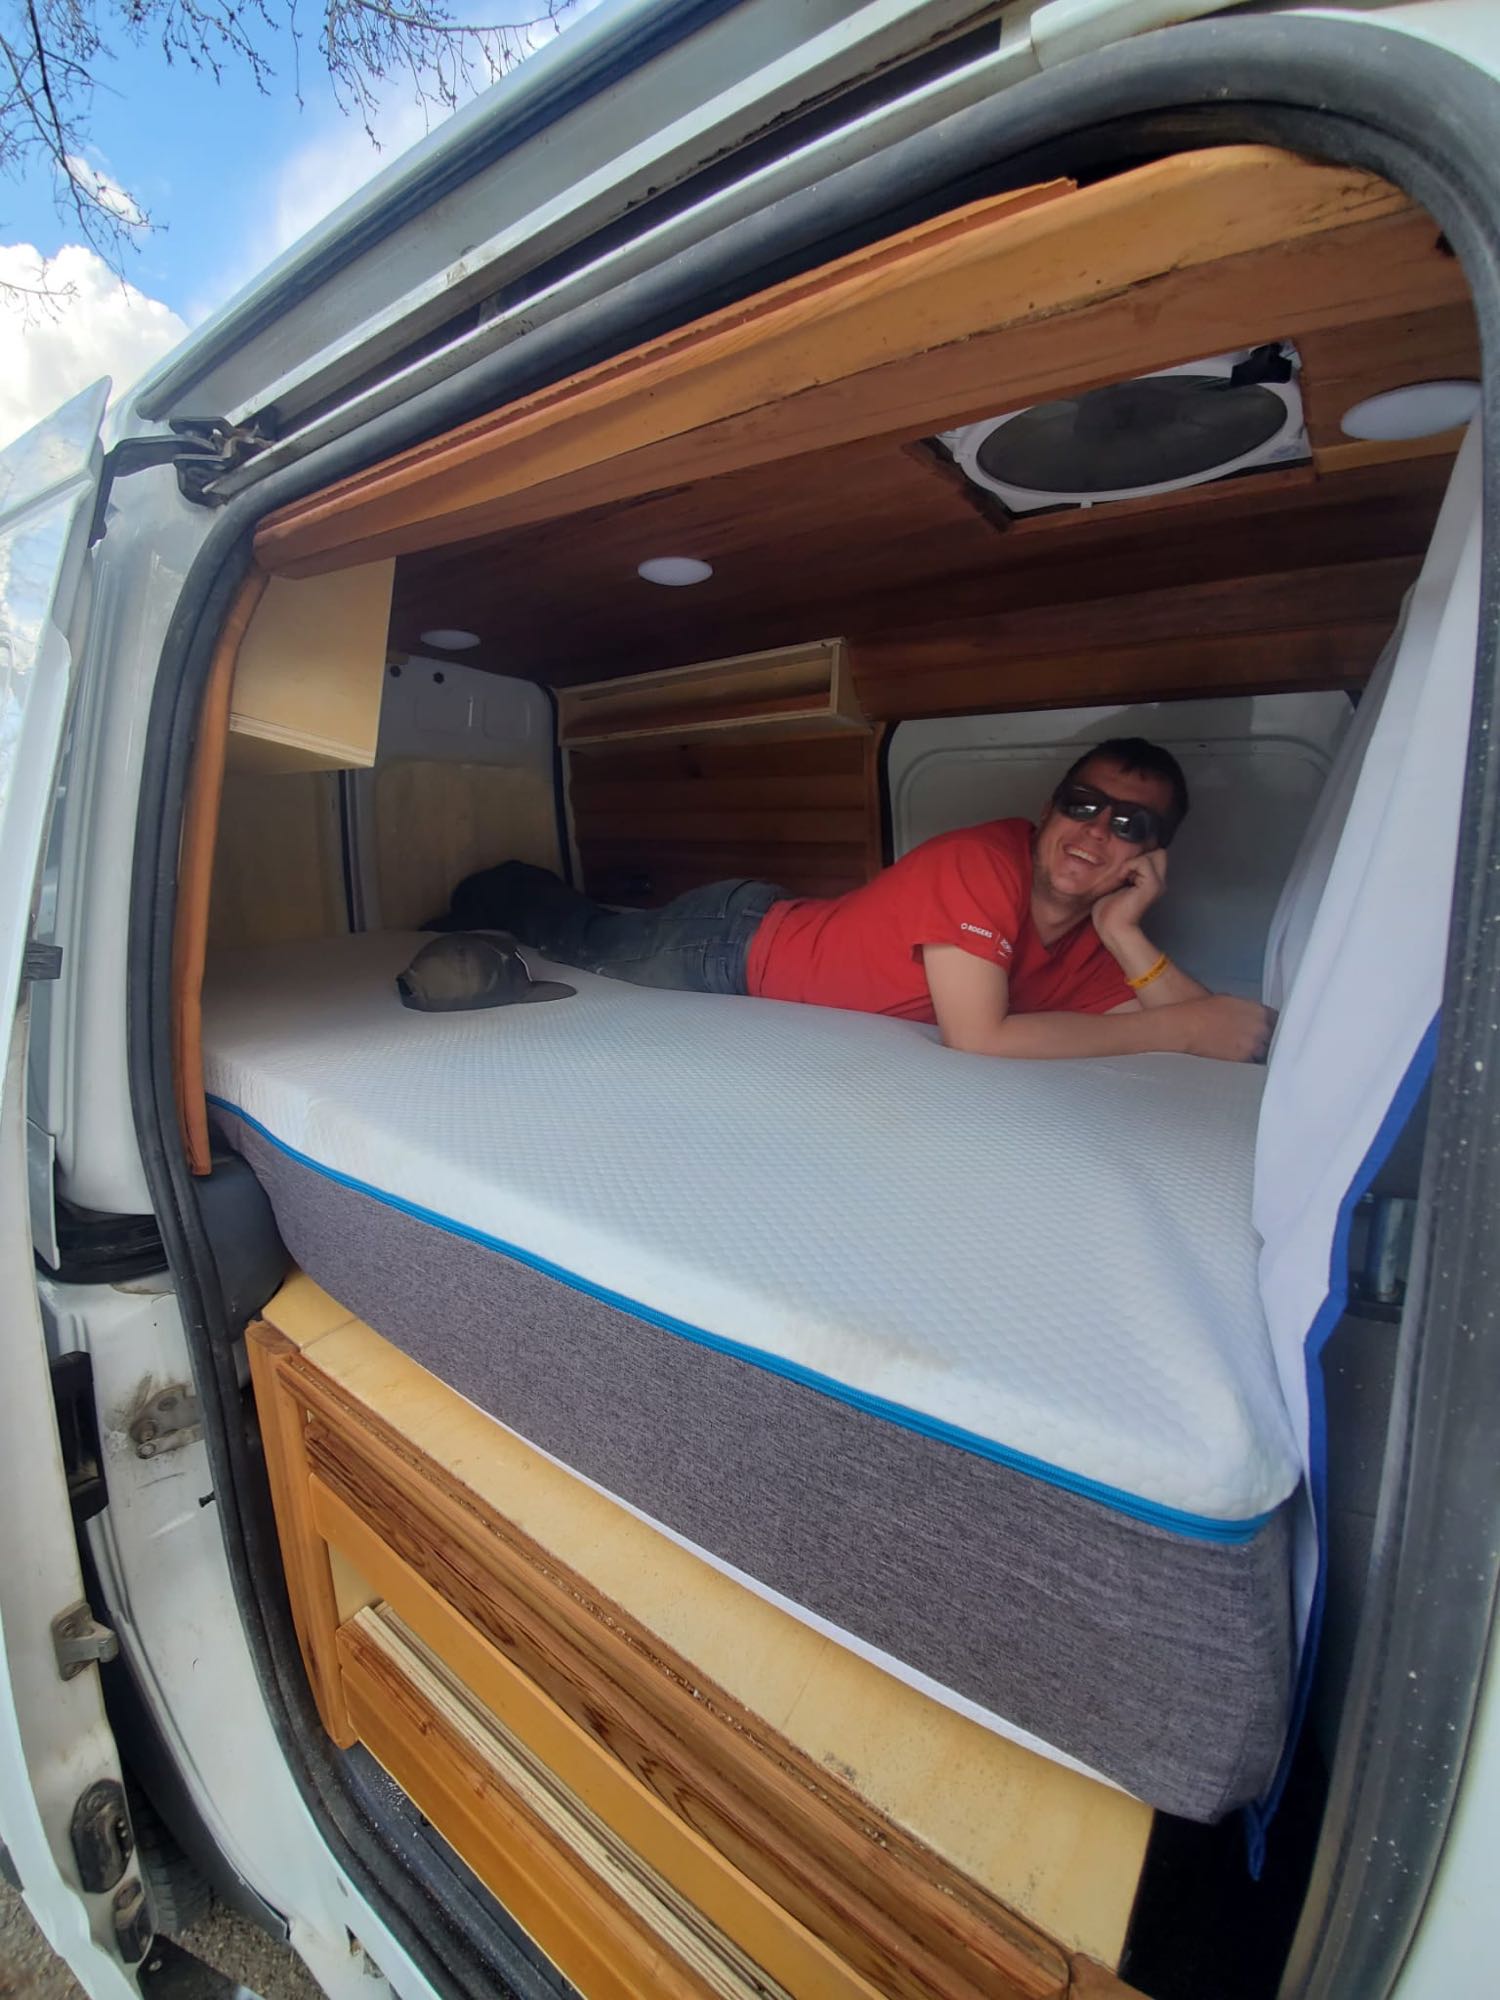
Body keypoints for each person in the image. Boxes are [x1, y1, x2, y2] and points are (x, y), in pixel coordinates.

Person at [437, 737, 1273, 1062]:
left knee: (605, 932)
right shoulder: (985, 860)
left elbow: (1219, 1033)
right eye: (1083, 804)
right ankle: (493, 886)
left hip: (776, 926)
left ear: (1149, 856)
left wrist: (1126, 933)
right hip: (733, 947)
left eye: (1128, 825)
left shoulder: (1096, 938)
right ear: (1051, 808)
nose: (1094, 831)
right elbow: (978, 1037)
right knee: (585, 939)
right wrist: (1176, 1028)